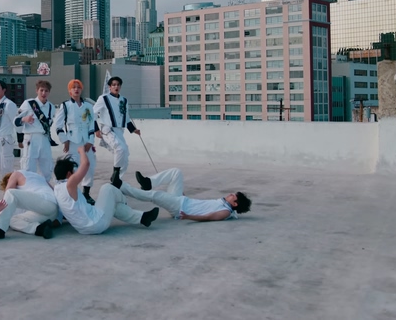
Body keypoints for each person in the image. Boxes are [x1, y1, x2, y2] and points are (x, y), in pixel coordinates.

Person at [53, 146, 159, 235]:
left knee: (113, 205)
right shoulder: (69, 184)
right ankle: (124, 201)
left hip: (84, 228)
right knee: (107, 188)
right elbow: (86, 164)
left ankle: (143, 218)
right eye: (73, 171)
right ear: (68, 174)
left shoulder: (56, 189)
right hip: (96, 223)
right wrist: (81, 151)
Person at [121, 169, 252, 221]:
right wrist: (185, 197)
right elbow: (203, 206)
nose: (230, 194)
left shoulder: (226, 212)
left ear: (235, 204)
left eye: (233, 196)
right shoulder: (223, 203)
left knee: (155, 195)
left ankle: (123, 187)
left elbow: (208, 217)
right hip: (182, 200)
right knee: (176, 173)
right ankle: (148, 182)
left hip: (180, 208)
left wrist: (188, 216)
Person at [0, 169, 59, 240]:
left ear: (8, 180)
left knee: (10, 193)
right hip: (52, 213)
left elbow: (6, 200)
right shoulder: (40, 178)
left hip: (45, 203)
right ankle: (39, 228)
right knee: (13, 220)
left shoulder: (15, 174)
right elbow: (55, 192)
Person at [55, 79, 97, 205]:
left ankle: (86, 193)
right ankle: (71, 192)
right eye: (73, 87)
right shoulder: (66, 106)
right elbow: (58, 125)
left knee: (90, 166)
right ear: (70, 91)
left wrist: (90, 141)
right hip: (73, 141)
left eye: (78, 87)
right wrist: (65, 140)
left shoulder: (88, 106)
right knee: (73, 167)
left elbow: (92, 124)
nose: (76, 89)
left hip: (86, 141)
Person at [94, 76, 140, 184]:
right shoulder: (103, 98)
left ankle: (117, 179)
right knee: (120, 148)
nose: (116, 87)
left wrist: (134, 130)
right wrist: (96, 129)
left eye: (118, 85)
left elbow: (126, 118)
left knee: (125, 157)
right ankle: (115, 174)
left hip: (119, 131)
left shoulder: (124, 100)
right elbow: (92, 114)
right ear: (109, 87)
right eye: (114, 85)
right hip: (107, 129)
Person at [15, 80, 57, 181]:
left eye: (46, 91)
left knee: (47, 166)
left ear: (49, 92)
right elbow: (15, 121)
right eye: (41, 90)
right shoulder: (28, 104)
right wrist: (24, 119)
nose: (43, 93)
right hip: (31, 137)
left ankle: (44, 187)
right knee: (28, 166)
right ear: (37, 91)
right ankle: (28, 187)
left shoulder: (51, 107)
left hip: (44, 138)